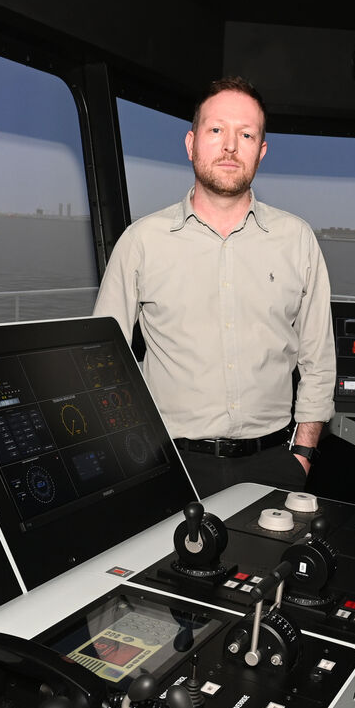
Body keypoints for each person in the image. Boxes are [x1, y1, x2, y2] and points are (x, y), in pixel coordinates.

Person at [94, 76, 335, 497]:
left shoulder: (297, 240)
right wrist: (129, 453)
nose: (230, 146)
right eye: (216, 129)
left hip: (275, 464)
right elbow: (103, 361)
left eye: (246, 134)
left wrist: (302, 453)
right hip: (169, 465)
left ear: (261, 151)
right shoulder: (142, 242)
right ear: (191, 144)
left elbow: (319, 360)